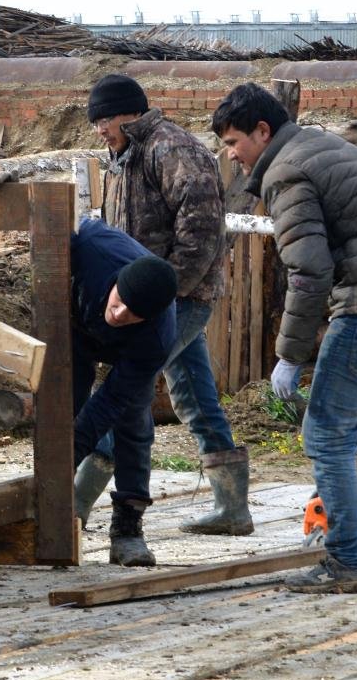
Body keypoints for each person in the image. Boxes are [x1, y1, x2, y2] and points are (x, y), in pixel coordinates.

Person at [211, 82, 357, 594]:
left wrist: (289, 356)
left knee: (325, 435)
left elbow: (309, 272)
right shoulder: (325, 147)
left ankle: (346, 562)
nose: (232, 156)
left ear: (262, 130)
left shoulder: (286, 170)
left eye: (234, 143)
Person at [78, 73, 252, 537]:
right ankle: (233, 507)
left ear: (129, 112)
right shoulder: (127, 155)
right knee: (193, 395)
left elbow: (201, 233)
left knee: (126, 393)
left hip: (174, 298)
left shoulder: (173, 150)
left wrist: (161, 296)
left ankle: (72, 503)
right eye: (95, 121)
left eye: (104, 118)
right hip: (144, 297)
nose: (99, 129)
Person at [69, 218, 178, 566]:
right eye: (120, 302)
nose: (120, 314)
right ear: (117, 281)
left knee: (132, 420)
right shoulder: (89, 247)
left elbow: (111, 400)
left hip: (127, 352)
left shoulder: (156, 337)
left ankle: (128, 529)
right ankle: (55, 508)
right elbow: (43, 223)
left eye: (133, 315)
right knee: (63, 403)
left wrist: (73, 446)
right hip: (73, 322)